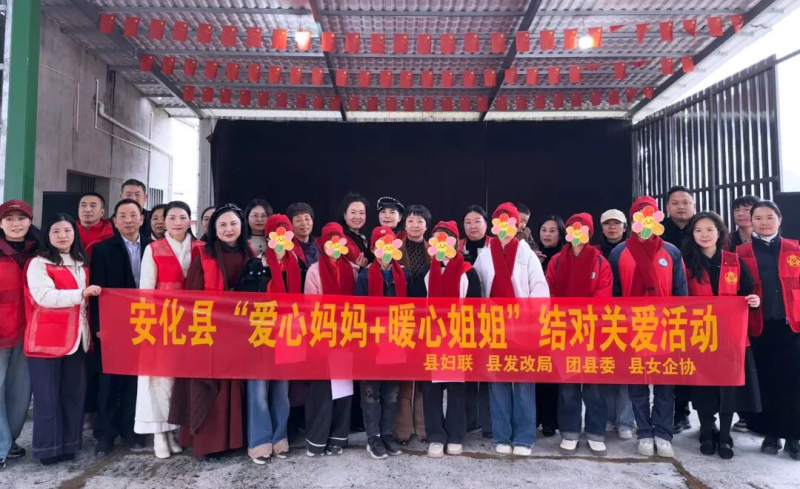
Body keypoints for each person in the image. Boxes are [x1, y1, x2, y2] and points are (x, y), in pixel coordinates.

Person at [169, 204, 251, 459]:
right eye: (222, 225)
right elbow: (192, 298)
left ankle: (234, 440)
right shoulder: (204, 256)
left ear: (242, 226)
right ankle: (210, 444)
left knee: (234, 386)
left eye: (233, 224)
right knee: (210, 387)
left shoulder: (249, 254)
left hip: (240, 333)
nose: (229, 229)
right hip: (210, 332)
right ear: (214, 229)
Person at [609, 196, 688, 458]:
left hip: (665, 328)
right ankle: (644, 431)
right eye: (639, 216)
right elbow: (613, 294)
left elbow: (681, 293)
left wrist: (680, 326)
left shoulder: (671, 252)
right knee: (637, 385)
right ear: (633, 220)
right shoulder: (619, 252)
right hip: (632, 328)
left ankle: (663, 433)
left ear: (657, 219)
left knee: (665, 385)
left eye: (650, 215)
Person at [683, 212, 762, 459]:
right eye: (698, 230)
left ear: (719, 233)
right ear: (692, 234)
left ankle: (725, 435)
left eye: (709, 229)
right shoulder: (686, 263)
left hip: (731, 337)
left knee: (729, 387)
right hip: (699, 336)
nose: (704, 234)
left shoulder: (733, 261)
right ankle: (707, 432)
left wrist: (753, 300)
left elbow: (748, 293)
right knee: (703, 386)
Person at [24, 214, 101, 465]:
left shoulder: (82, 262)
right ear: (47, 236)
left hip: (78, 339)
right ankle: (48, 448)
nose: (62, 236)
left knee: (73, 394)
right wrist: (81, 293)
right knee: (47, 396)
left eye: (67, 230)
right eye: (56, 231)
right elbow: (44, 297)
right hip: (47, 340)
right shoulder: (39, 263)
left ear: (74, 233)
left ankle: (69, 444)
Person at [475, 203, 550, 456]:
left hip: (523, 328)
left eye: (509, 223)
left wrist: (531, 319)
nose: (504, 228)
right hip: (494, 328)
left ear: (517, 225)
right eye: (499, 222)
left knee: (524, 385)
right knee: (498, 385)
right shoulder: (485, 255)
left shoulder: (526, 253)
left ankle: (524, 438)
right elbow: (479, 288)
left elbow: (539, 288)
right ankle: (502, 435)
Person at [135, 201, 201, 459]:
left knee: (180, 381)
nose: (177, 222)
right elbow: (145, 290)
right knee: (159, 379)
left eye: (182, 217)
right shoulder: (153, 249)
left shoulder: (200, 248)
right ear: (164, 221)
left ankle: (174, 431)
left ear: (189, 220)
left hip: (194, 324)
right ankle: (158, 434)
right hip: (161, 322)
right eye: (171, 217)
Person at [238, 214, 305, 464]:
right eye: (276, 234)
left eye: (285, 234)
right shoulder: (254, 265)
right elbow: (243, 302)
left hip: (287, 334)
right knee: (258, 392)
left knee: (281, 391)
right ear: (268, 238)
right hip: (260, 334)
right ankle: (259, 442)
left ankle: (280, 438)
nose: (280, 239)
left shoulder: (297, 266)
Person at [738, 200, 800, 460]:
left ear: (779, 219)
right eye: (758, 218)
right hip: (759, 327)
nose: (764, 222)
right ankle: (771, 434)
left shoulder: (795, 248)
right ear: (751, 221)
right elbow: (734, 288)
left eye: (769, 217)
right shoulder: (741, 252)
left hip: (792, 326)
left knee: (794, 382)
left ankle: (794, 436)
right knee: (766, 381)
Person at [88, 199, 151, 457]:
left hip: (145, 323)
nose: (128, 220)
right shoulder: (103, 249)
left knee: (135, 379)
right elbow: (96, 291)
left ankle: (131, 430)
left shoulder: (153, 247)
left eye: (133, 215)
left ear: (142, 219)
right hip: (113, 324)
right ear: (114, 221)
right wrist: (99, 326)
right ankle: (105, 434)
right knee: (108, 379)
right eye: (122, 215)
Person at [547, 213, 612, 456]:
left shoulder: (600, 262)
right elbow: (548, 292)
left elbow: (603, 294)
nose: (577, 233)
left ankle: (595, 432)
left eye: (582, 228)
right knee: (568, 387)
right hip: (564, 332)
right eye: (573, 228)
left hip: (592, 331)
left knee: (594, 387)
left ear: (589, 233)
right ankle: (570, 431)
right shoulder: (557, 261)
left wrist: (585, 319)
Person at [420, 221, 482, 458]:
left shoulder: (468, 272)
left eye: (447, 238)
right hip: (432, 340)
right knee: (432, 390)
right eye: (437, 238)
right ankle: (436, 436)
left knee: (457, 389)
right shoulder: (426, 272)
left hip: (459, 340)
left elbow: (476, 310)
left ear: (456, 243)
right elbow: (417, 308)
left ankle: (456, 435)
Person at [354, 226, 411, 459]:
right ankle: (373, 437)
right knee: (371, 392)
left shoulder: (404, 275)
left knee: (392, 392)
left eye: (389, 244)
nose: (385, 250)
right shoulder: (365, 276)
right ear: (373, 248)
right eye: (380, 245)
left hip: (396, 340)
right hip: (372, 343)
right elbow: (358, 311)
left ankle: (387, 433)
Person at [303, 222, 359, 456]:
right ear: (323, 244)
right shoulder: (314, 271)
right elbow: (311, 306)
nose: (334, 246)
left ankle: (338, 438)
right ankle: (317, 440)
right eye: (330, 241)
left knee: (344, 389)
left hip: (347, 337)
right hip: (322, 336)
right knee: (322, 390)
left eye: (338, 241)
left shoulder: (353, 270)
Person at [0, 200, 39, 468]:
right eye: (9, 219)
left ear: (30, 221)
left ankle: (8, 440)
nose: (16, 224)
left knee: (20, 392)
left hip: (29, 333)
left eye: (21, 218)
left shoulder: (40, 250)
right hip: (1, 333)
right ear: (1, 223)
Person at [394, 205, 432, 444]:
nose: (415, 225)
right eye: (410, 221)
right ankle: (403, 430)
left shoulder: (435, 250)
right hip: (401, 318)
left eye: (419, 221)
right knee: (405, 375)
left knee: (424, 374)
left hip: (429, 320)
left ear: (426, 226)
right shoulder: (394, 249)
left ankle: (424, 427)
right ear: (404, 224)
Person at [597, 209, 635, 439]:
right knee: (605, 370)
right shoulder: (595, 252)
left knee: (625, 371)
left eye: (617, 223)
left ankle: (625, 421)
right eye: (608, 224)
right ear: (601, 228)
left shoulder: (632, 250)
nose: (612, 228)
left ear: (625, 227)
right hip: (601, 320)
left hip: (628, 319)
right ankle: (608, 417)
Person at [662, 185, 696, 434]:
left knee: (700, 360)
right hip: (670, 308)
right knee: (675, 361)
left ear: (693, 205)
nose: (681, 207)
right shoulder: (659, 230)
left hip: (702, 304)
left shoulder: (704, 227)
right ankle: (679, 413)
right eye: (675, 203)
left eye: (685, 202)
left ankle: (707, 415)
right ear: (667, 207)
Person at [457, 205, 492, 436]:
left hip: (491, 320)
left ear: (486, 224)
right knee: (468, 372)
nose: (473, 226)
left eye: (477, 221)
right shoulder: (455, 247)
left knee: (488, 373)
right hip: (464, 322)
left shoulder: (495, 246)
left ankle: (488, 424)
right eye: (468, 222)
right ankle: (470, 421)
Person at [533, 214, 565, 437]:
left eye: (552, 230)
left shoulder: (565, 257)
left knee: (555, 373)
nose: (547, 234)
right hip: (535, 323)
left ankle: (551, 420)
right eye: (544, 230)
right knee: (538, 371)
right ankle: (535, 417)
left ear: (561, 234)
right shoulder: (531, 255)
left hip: (559, 322)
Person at [77, 192, 115, 259]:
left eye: (93, 206)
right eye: (83, 205)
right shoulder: (68, 231)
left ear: (102, 212)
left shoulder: (113, 233)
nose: (87, 210)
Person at [340, 193, 372, 267]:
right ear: (345, 215)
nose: (357, 217)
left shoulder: (365, 237)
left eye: (361, 213)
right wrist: (356, 267)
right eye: (353, 212)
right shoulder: (340, 238)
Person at [287, 202, 321, 267]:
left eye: (307, 219)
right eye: (298, 220)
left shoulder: (320, 245)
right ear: (291, 224)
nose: (304, 223)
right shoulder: (287, 248)